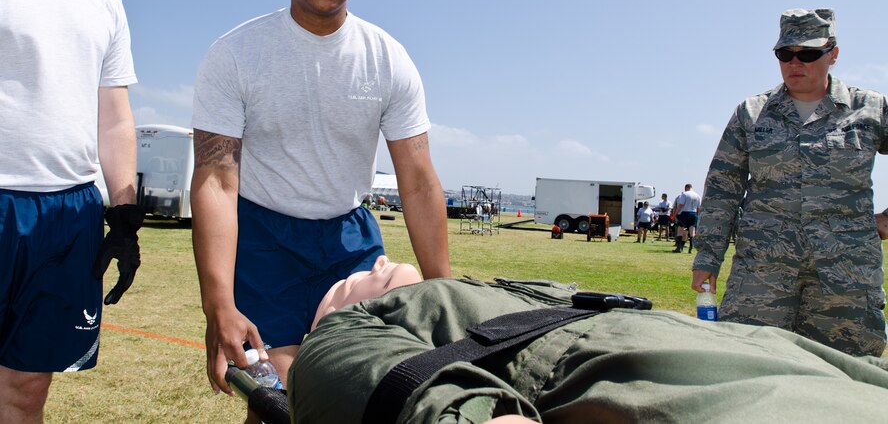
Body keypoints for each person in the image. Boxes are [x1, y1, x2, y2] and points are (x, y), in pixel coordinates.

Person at [190, 0, 451, 419]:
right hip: (265, 239)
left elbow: (417, 182)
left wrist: (446, 297)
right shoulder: (236, 53)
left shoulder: (388, 58)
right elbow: (216, 181)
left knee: (357, 393)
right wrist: (217, 303)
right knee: (278, 401)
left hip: (348, 239)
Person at [288, 255, 888, 423]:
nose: (381, 260)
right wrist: (327, 331)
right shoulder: (353, 330)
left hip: (795, 365)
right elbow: (339, 375)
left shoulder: (468, 301)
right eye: (358, 274)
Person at [0, 0, 143, 422]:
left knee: (26, 389)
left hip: (69, 217)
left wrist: (126, 215)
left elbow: (114, 116)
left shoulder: (104, 3)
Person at [692, 8, 888, 357]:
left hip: (845, 278)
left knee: (845, 381)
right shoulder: (752, 113)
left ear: (834, 54)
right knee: (746, 367)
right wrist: (708, 256)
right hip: (762, 274)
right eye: (785, 54)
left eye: (808, 54)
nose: (795, 63)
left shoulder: (869, 109)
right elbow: (724, 186)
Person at [672, 183, 701, 253]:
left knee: (680, 230)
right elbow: (698, 208)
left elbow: (681, 205)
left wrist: (675, 214)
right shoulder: (697, 196)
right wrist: (698, 216)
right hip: (693, 213)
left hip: (684, 213)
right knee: (692, 231)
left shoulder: (684, 194)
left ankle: (679, 248)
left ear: (686, 188)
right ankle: (691, 248)